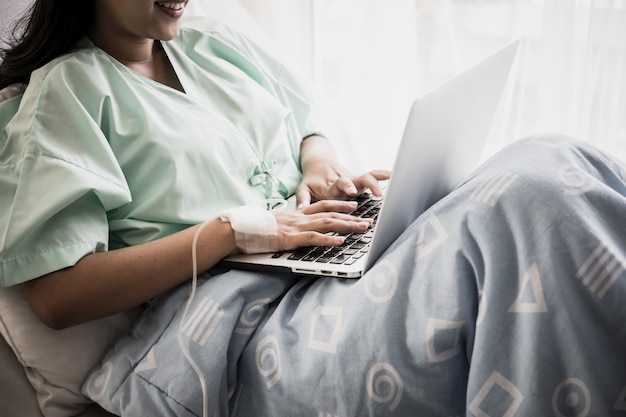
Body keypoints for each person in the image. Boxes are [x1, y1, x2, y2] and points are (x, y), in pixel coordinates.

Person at [2, 1, 626, 416]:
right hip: (245, 324)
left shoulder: (212, 40)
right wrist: (237, 231)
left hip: (320, 262)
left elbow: (304, 119)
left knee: (551, 159)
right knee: (529, 205)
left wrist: (318, 160)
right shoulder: (69, 93)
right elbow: (57, 297)